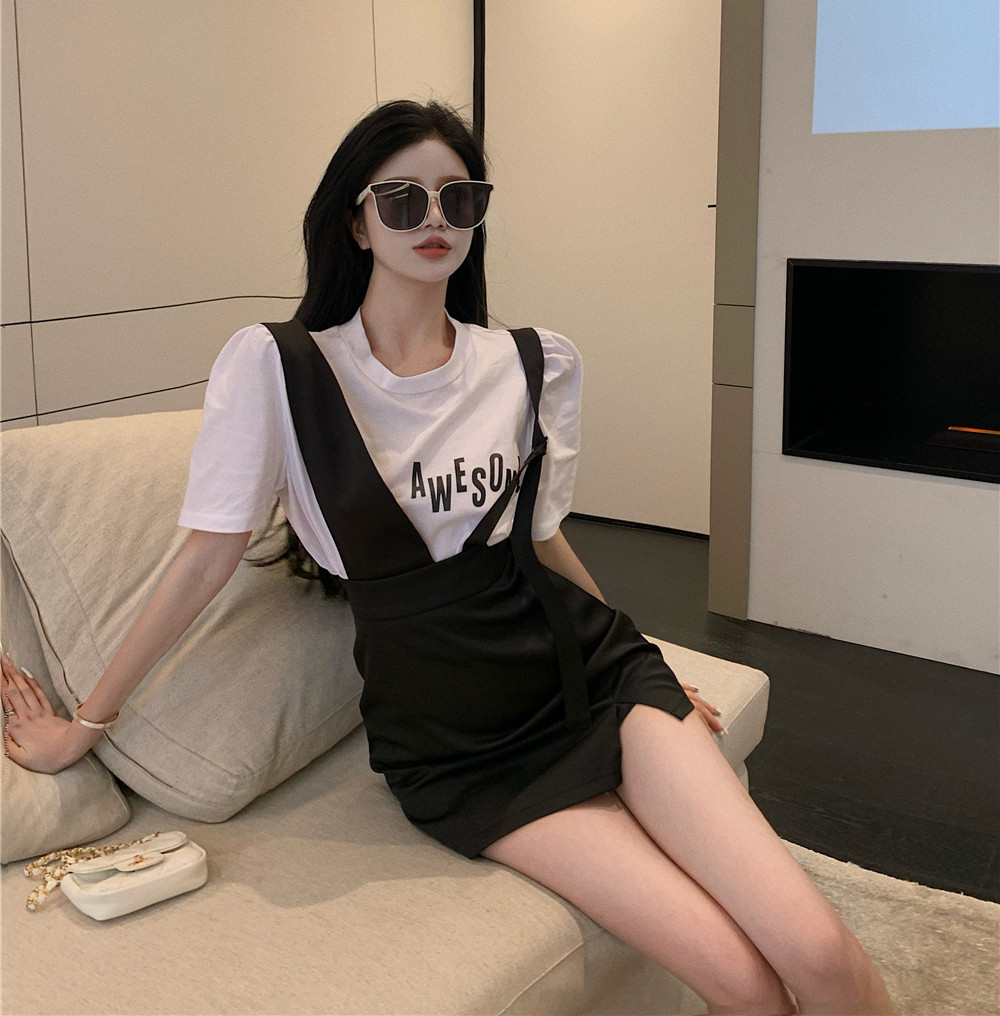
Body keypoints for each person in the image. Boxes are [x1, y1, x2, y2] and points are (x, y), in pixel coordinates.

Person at [2, 100, 894, 1016]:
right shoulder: (281, 367)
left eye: (458, 199)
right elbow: (203, 559)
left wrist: (653, 656)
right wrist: (86, 727)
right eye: (403, 200)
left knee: (819, 953)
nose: (434, 219)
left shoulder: (532, 362)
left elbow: (539, 539)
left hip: (595, 678)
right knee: (743, 983)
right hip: (462, 748)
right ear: (356, 222)